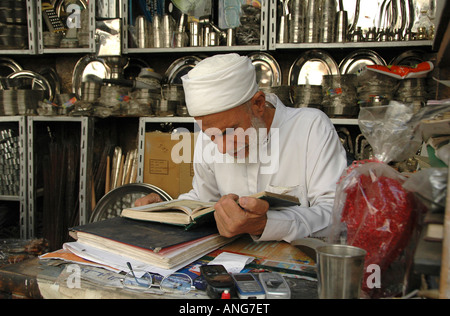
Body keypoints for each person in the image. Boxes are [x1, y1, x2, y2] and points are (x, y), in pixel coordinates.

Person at [135, 53, 347, 243]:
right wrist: (165, 209)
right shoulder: (208, 138)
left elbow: (337, 216)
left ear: (258, 104)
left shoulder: (311, 128)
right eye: (212, 136)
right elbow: (203, 201)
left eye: (230, 131)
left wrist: (268, 223)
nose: (223, 147)